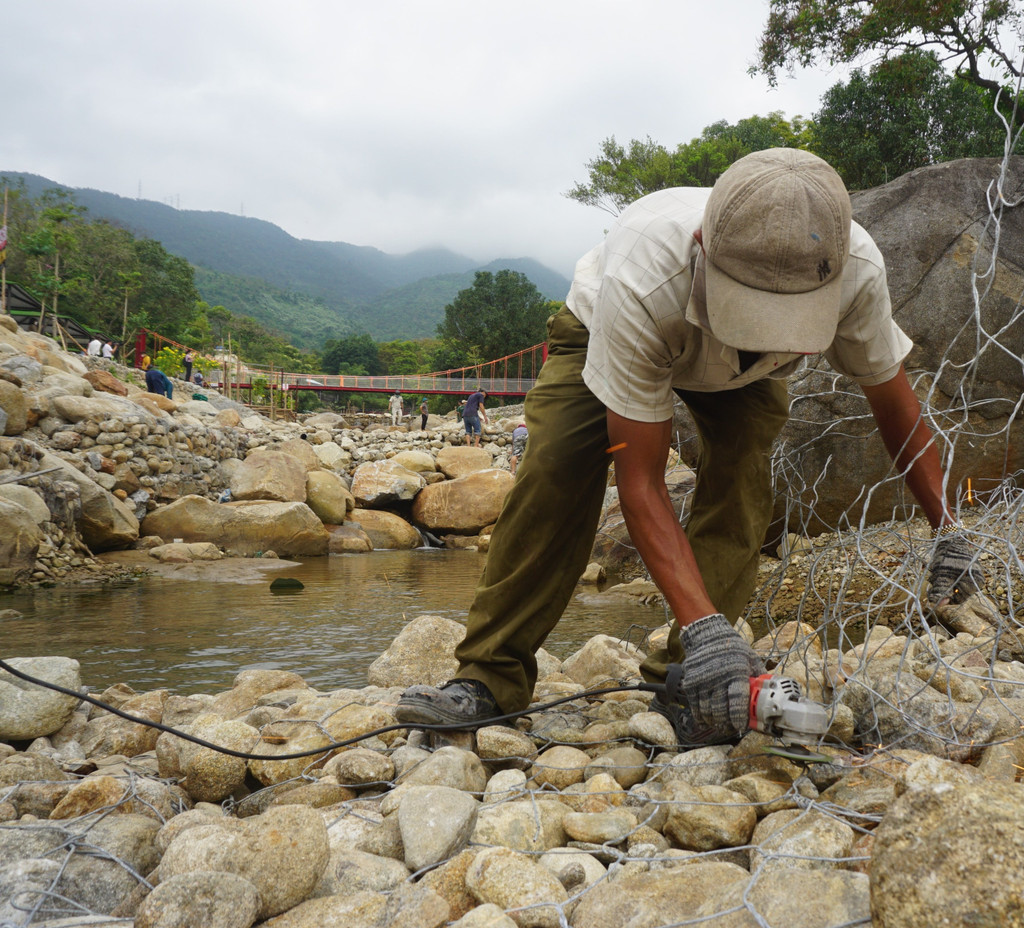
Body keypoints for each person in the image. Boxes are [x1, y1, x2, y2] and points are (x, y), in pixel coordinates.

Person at [396, 148, 974, 745]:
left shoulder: (854, 266)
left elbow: (896, 408)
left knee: (745, 480)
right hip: (610, 329)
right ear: (702, 244)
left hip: (746, 378)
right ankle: (489, 678)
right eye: (754, 309)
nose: (768, 330)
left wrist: (947, 528)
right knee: (555, 472)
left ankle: (688, 681)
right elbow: (640, 480)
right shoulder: (642, 276)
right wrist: (710, 630)